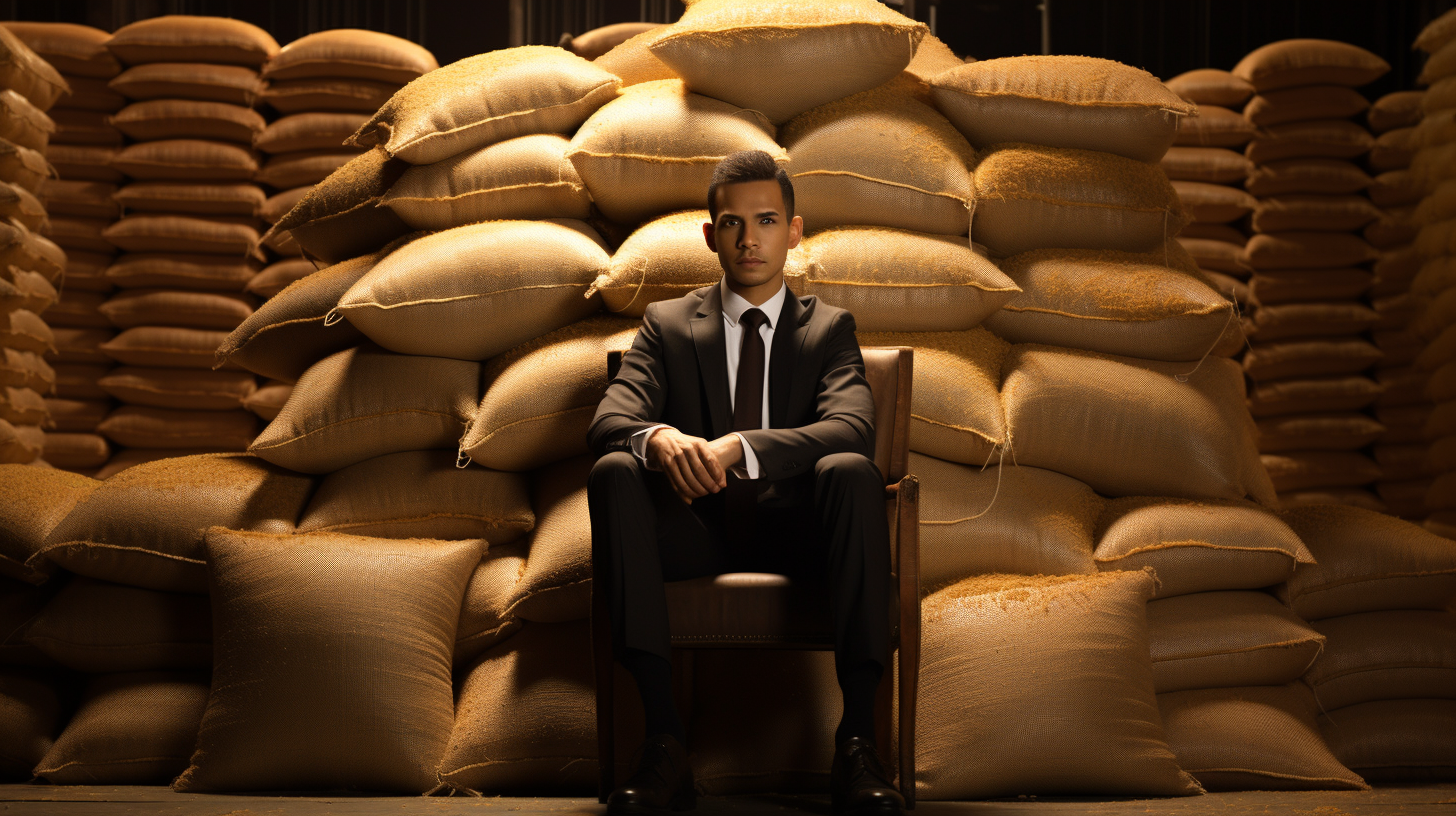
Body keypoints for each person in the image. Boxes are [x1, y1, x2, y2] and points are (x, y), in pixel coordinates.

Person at [587, 149, 900, 816]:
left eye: (766, 220)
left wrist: (743, 449)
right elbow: (611, 420)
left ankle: (858, 742)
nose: (750, 239)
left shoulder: (828, 329)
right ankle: (664, 743)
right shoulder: (668, 325)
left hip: (800, 535)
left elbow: (851, 430)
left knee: (852, 471)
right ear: (710, 235)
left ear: (794, 230)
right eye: (733, 223)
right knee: (615, 468)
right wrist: (659, 438)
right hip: (696, 533)